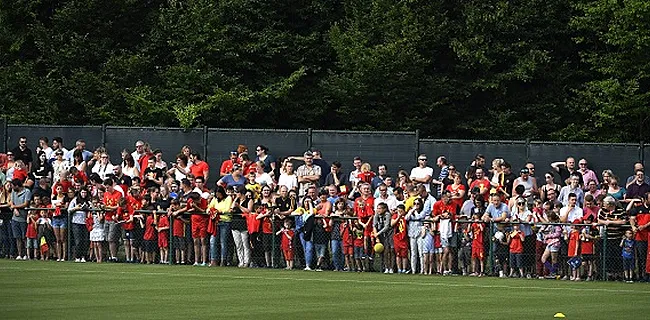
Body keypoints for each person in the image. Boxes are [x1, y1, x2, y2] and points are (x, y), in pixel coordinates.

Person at [628, 193, 650, 282]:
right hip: (640, 237)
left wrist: (644, 226)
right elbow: (632, 218)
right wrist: (633, 227)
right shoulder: (637, 209)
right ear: (645, 199)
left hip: (648, 234)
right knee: (641, 257)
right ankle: (641, 275)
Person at [9, 178, 31, 260]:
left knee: (24, 237)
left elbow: (26, 203)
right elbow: (11, 202)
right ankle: (19, 254)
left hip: (23, 217)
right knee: (17, 237)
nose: (12, 188)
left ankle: (26, 253)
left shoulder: (27, 192)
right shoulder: (13, 192)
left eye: (13, 186)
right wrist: (14, 209)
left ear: (17, 186)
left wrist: (15, 207)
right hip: (15, 218)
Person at [68, 188, 91, 263]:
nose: (84, 194)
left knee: (85, 240)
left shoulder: (88, 201)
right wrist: (76, 208)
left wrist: (87, 209)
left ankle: (83, 256)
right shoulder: (75, 200)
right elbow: (69, 210)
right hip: (76, 223)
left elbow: (92, 209)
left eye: (85, 192)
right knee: (78, 240)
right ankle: (77, 256)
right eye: (82, 192)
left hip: (85, 223)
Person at [373, 202, 394, 274]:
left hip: (388, 234)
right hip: (380, 235)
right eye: (377, 208)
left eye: (380, 208)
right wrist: (376, 236)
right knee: (382, 252)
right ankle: (384, 267)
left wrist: (377, 234)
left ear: (384, 209)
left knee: (389, 251)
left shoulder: (387, 215)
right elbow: (374, 226)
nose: (378, 210)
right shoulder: (376, 215)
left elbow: (387, 226)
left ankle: (391, 267)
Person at [391, 204, 408, 274]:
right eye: (398, 211)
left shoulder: (406, 217)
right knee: (398, 254)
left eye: (401, 211)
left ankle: (404, 268)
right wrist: (398, 217)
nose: (399, 213)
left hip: (404, 237)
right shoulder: (395, 216)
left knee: (404, 255)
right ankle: (399, 268)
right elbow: (392, 224)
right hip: (397, 238)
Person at [470, 208, 485, 277]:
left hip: (480, 243)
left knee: (481, 259)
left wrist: (479, 223)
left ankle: (481, 271)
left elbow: (482, 229)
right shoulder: (473, 224)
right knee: (474, 258)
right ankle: (474, 271)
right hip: (474, 243)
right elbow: (470, 230)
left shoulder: (481, 223)